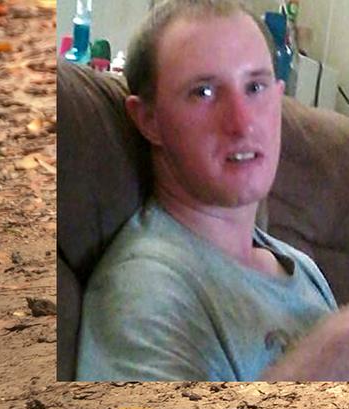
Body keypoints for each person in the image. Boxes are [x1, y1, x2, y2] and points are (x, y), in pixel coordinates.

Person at [75, 0, 349, 381]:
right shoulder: (145, 291)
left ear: (278, 94)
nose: (242, 122)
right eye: (203, 92)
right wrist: (332, 353)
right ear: (148, 120)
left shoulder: (301, 267)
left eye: (255, 86)